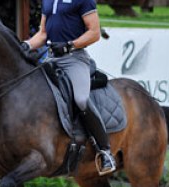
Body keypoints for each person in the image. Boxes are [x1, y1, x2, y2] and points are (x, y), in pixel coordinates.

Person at [22, 0, 116, 175]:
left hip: (74, 59)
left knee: (81, 99)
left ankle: (105, 151)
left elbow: (94, 33)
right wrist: (26, 45)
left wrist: (70, 44)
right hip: (51, 58)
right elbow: (43, 33)